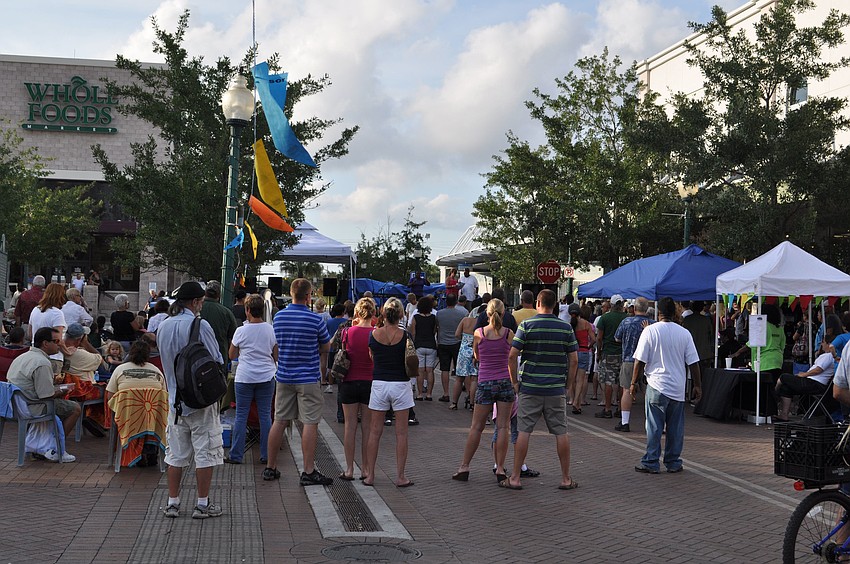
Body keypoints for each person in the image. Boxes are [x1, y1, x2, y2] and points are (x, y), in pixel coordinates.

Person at [157, 280, 225, 519]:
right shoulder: (199, 325)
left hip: (174, 400)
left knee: (175, 454)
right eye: (201, 302)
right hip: (201, 401)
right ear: (196, 301)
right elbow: (216, 358)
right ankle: (202, 504)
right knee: (205, 452)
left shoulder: (163, 326)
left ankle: (173, 502)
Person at [502, 289, 578, 491]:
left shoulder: (526, 326)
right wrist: (568, 385)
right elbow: (574, 359)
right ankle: (565, 478)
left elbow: (512, 356)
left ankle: (516, 477)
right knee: (561, 432)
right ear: (554, 305)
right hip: (555, 388)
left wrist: (515, 382)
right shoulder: (565, 327)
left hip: (530, 387)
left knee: (524, 430)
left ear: (538, 303)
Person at [266, 278, 333, 486]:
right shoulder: (315, 320)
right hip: (308, 378)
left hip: (284, 375)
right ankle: (308, 470)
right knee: (310, 423)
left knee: (279, 420)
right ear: (308, 295)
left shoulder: (279, 318)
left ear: (291, 293)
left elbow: (275, 343)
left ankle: (270, 467)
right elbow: (326, 346)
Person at [631, 297, 702, 474]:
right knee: (675, 428)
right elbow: (693, 363)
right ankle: (673, 461)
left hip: (656, 385)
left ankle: (651, 461)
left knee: (654, 426)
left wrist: (633, 382)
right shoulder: (684, 333)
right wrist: (698, 386)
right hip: (677, 387)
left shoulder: (650, 331)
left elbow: (639, 361)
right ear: (675, 312)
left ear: (658, 312)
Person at [453, 298, 515, 483]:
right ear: (503, 314)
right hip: (505, 381)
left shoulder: (479, 333)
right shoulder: (508, 334)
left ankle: (464, 466)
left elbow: (476, 356)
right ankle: (501, 468)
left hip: (485, 382)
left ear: (486, 314)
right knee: (503, 426)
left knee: (476, 427)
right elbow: (512, 355)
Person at [363, 297, 415, 487]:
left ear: (383, 314)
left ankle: (370, 474)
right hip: (400, 384)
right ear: (401, 314)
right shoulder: (406, 336)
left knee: (374, 432)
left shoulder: (374, 335)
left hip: (379, 383)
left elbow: (372, 357)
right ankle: (401, 476)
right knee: (401, 434)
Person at [6, 327, 78, 462]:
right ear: (45, 343)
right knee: (74, 408)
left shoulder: (22, 357)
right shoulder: (42, 362)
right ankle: (55, 448)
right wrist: (63, 390)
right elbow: (46, 395)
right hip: (32, 407)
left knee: (60, 405)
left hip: (14, 406)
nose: (60, 344)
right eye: (56, 341)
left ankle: (42, 445)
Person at [225, 294, 276, 465]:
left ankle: (236, 455)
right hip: (266, 376)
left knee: (241, 416)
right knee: (265, 416)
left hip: (244, 377)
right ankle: (266, 454)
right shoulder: (270, 329)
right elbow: (276, 356)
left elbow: (231, 355)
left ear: (247, 310)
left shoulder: (241, 331)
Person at [337, 297, 376, 480]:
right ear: (373, 312)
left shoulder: (347, 332)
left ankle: (349, 469)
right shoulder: (376, 333)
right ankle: (366, 469)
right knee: (367, 428)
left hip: (349, 382)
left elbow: (343, 353)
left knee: (349, 426)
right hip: (369, 382)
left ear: (357, 313)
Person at [613, 297, 654, 432]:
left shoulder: (626, 322)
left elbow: (617, 338)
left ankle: (625, 422)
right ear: (647, 309)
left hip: (629, 360)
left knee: (626, 390)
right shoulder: (652, 324)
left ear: (634, 308)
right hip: (649, 362)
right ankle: (654, 421)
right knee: (649, 391)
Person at [774, 337, 834, 422]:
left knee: (784, 377)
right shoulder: (830, 356)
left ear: (829, 344)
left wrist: (804, 374)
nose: (821, 344)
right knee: (786, 388)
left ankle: (774, 393)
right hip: (813, 383)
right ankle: (784, 415)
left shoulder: (828, 356)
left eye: (823, 342)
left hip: (813, 383)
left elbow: (818, 369)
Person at [595, 294, 628, 419]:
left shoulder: (605, 318)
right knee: (621, 382)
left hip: (608, 353)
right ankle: (620, 408)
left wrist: (599, 352)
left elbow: (599, 338)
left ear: (612, 305)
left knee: (608, 381)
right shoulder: (626, 318)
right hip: (622, 354)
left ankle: (607, 408)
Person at [28, 282, 67, 373]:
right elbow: (58, 339)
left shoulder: (35, 310)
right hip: (53, 357)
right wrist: (68, 352)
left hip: (34, 354)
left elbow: (30, 335)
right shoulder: (57, 313)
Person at [200, 281, 238, 372]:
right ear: (219, 294)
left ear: (205, 293)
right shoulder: (226, 312)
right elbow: (234, 336)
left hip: (197, 359)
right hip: (219, 359)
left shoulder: (196, 309)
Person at [435, 293, 466, 402]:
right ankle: (462, 392)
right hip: (457, 342)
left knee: (444, 369)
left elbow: (437, 327)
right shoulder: (462, 314)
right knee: (460, 369)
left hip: (443, 343)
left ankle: (446, 393)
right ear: (456, 301)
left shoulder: (439, 314)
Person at [566, 302, 595, 415]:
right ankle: (577, 402)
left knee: (572, 378)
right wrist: (588, 346)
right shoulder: (586, 324)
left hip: (572, 353)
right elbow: (593, 339)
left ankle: (573, 399)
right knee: (580, 379)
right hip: (584, 351)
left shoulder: (569, 325)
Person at [409, 296, 438, 401]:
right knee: (430, 371)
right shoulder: (433, 318)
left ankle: (420, 394)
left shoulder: (416, 317)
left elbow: (413, 332)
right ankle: (429, 394)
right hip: (431, 345)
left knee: (420, 371)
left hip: (419, 345)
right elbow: (434, 331)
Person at [451, 312, 479, 410]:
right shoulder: (481, 322)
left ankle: (454, 403)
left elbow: (457, 334)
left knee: (459, 378)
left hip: (463, 350)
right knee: (474, 378)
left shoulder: (465, 320)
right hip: (475, 352)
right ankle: (472, 403)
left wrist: (464, 339)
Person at [681, 301, 714, 368]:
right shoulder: (706, 320)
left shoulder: (687, 320)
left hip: (691, 353)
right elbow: (711, 335)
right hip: (704, 353)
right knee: (705, 375)